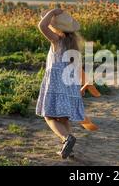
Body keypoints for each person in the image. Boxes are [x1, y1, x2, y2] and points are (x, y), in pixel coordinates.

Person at [36, 8, 85, 159]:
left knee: (49, 116)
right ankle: (68, 147)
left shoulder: (56, 40)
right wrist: (80, 87)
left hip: (57, 82)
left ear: (56, 28)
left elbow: (41, 26)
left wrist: (51, 12)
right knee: (63, 118)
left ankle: (66, 139)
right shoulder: (73, 44)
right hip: (70, 83)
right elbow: (78, 68)